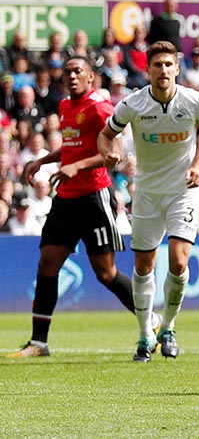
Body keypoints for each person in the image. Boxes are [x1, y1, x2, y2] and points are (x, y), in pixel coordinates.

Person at [6, 56, 157, 359]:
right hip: (66, 197)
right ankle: (39, 342)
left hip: (93, 196)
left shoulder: (99, 108)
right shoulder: (64, 106)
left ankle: (150, 319)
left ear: (90, 78)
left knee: (106, 273)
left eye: (78, 72)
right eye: (68, 72)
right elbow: (73, 146)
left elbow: (113, 155)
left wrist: (77, 167)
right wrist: (44, 160)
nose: (72, 77)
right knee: (47, 263)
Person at [97, 41, 199, 362]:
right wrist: (111, 150)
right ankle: (144, 335)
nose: (163, 70)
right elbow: (106, 134)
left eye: (168, 65)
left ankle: (168, 328)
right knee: (143, 266)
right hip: (148, 192)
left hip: (183, 191)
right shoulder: (132, 105)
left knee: (178, 262)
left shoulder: (195, 101)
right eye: (157, 65)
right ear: (147, 70)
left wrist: (198, 165)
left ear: (177, 69)